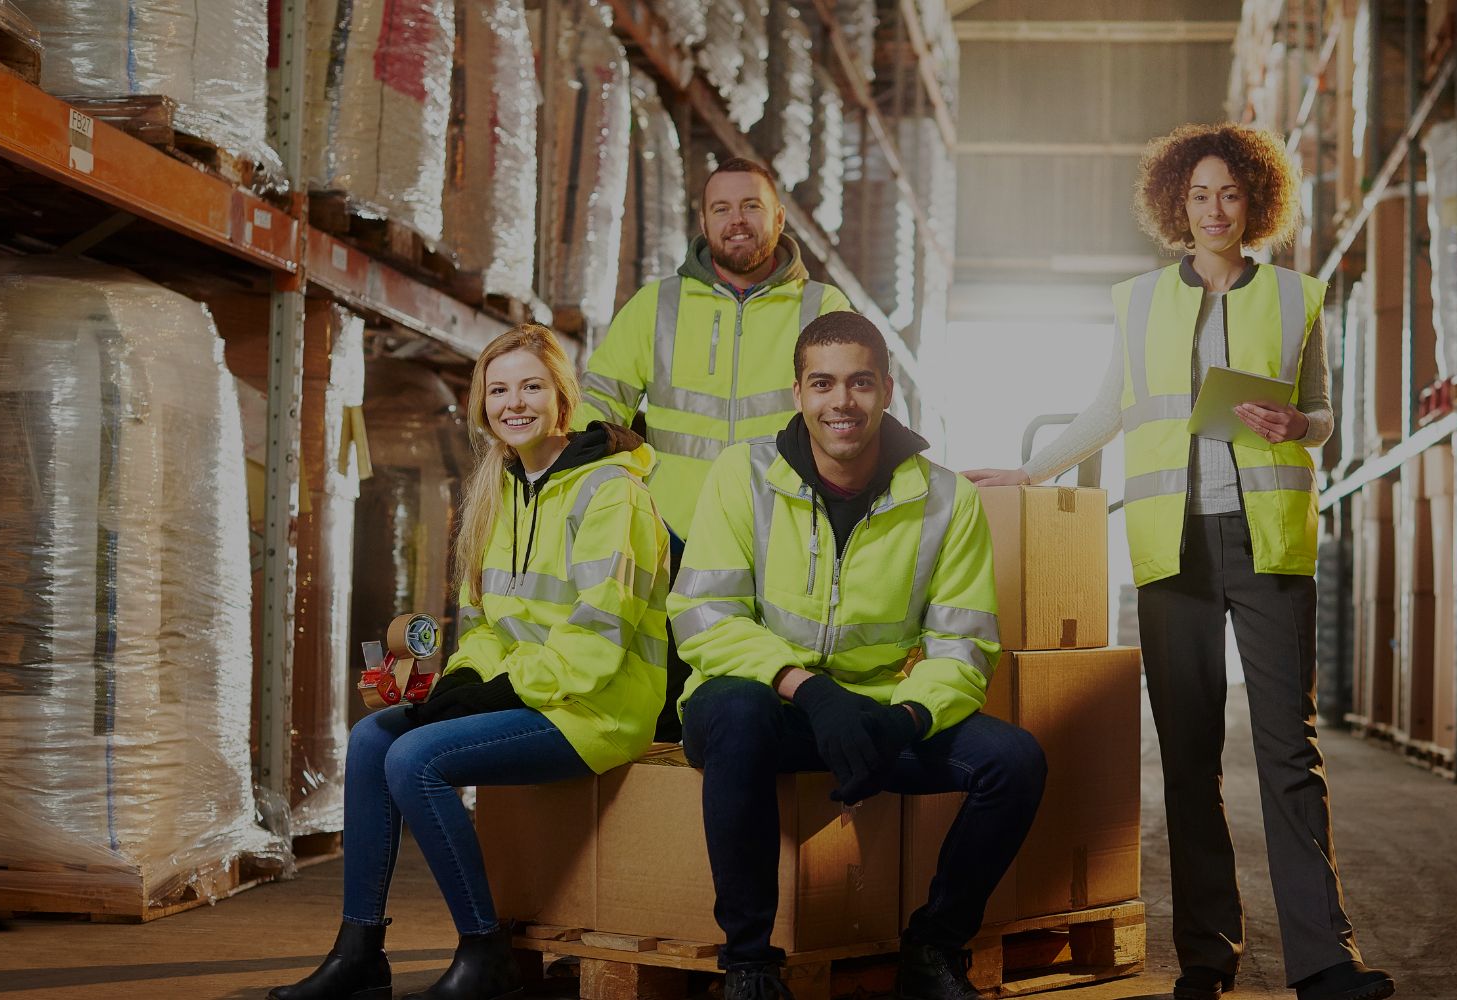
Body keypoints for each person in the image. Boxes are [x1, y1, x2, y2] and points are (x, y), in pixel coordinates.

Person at [965, 123, 1396, 1000]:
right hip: (1172, 547)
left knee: (1287, 752)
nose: (1214, 210)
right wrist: (1031, 470)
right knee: (1189, 756)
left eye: (1230, 194)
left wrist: (1298, 427)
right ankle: (1207, 956)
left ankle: (1324, 959)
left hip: (1269, 545)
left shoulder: (1296, 297)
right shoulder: (1138, 302)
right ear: (1176, 203)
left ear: (1256, 203)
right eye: (1199, 195)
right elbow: (1105, 411)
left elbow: (1325, 416)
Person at [271, 325, 671, 1000]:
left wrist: (495, 692)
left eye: (531, 387)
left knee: (415, 759)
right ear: (483, 402)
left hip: (595, 707)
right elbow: (483, 621)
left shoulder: (611, 493)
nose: (514, 403)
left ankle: (483, 952)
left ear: (563, 398)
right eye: (499, 389)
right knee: (373, 738)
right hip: (528, 694)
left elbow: (596, 642)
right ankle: (359, 951)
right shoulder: (497, 489)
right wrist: (463, 678)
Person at [670, 312, 1046, 1000]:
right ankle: (750, 963)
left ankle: (932, 947)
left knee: (1015, 761)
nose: (841, 402)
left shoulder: (945, 499)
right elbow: (704, 615)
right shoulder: (742, 474)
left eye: (859, 383)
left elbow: (964, 647)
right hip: (770, 711)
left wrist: (904, 720)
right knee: (734, 710)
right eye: (823, 384)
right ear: (798, 394)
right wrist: (807, 690)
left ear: (887, 391)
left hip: (876, 721)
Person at [575, 157, 853, 741]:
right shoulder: (659, 305)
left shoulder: (822, 309)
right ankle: (665, 822)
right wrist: (616, 486)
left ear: (778, 217)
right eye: (722, 208)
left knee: (759, 693)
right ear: (703, 221)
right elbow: (597, 401)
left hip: (779, 535)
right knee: (665, 698)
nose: (737, 220)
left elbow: (852, 417)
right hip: (670, 537)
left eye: (752, 206)